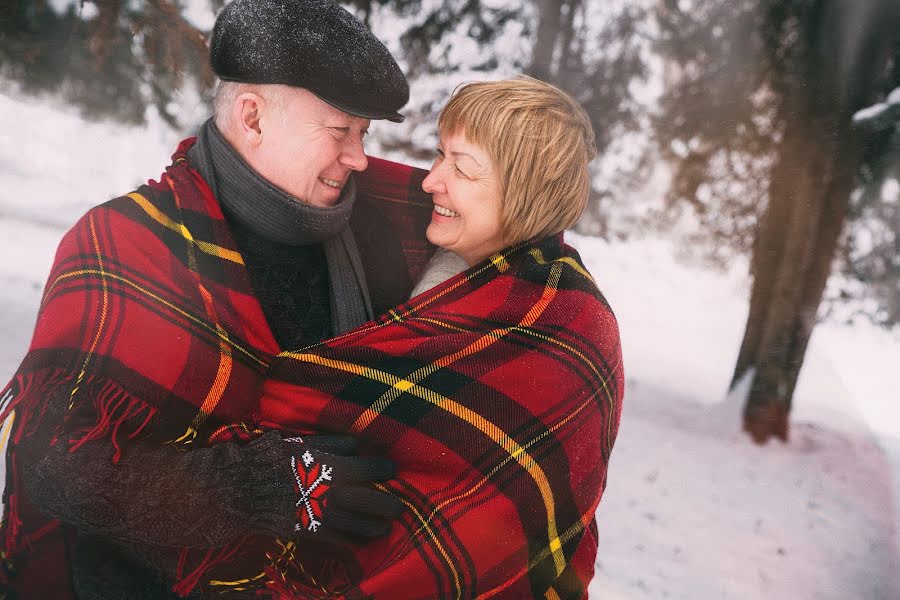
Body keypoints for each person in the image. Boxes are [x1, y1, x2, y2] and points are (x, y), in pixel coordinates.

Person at [0, 0, 436, 598]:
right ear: (253, 118)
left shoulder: (389, 227)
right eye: (340, 131)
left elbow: (508, 231)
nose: (359, 158)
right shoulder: (127, 243)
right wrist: (265, 488)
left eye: (363, 135)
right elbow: (55, 464)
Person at [251, 76, 625, 598]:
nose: (431, 181)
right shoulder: (430, 261)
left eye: (462, 168)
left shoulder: (567, 325)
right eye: (439, 155)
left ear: (524, 194)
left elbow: (504, 525)